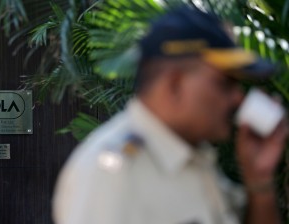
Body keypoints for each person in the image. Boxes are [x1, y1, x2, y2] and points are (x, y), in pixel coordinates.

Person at [53, 6, 287, 224]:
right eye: (225, 82)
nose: (237, 97)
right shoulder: (111, 176)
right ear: (174, 85)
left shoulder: (194, 159)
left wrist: (259, 183)